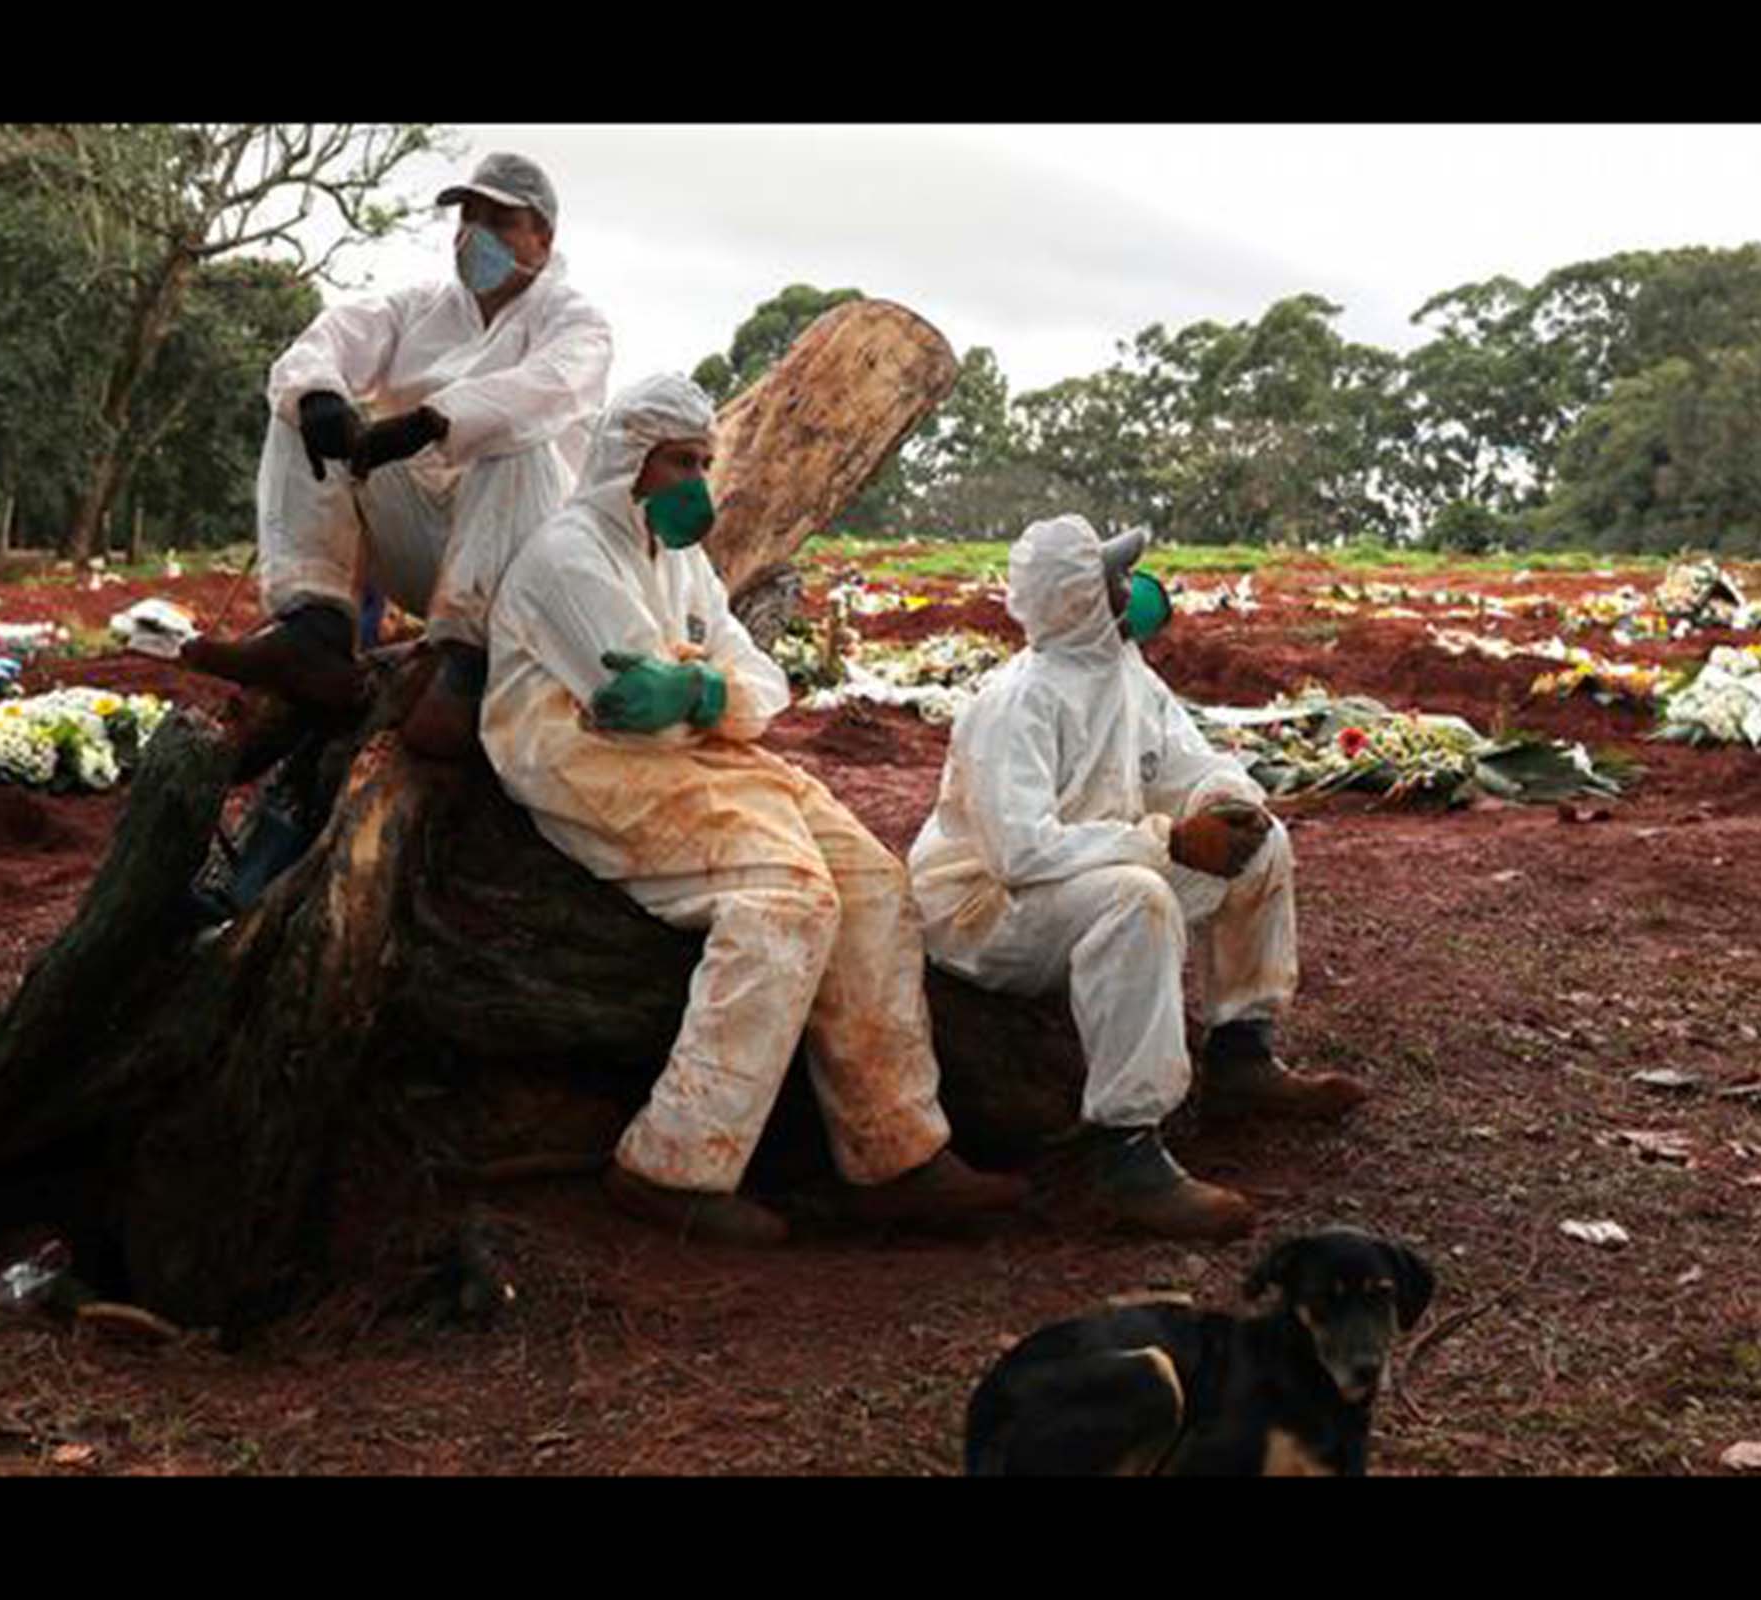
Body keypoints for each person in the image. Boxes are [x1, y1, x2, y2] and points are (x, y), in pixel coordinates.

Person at [481, 374, 1025, 1246]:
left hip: (697, 753)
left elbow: (767, 689)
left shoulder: (684, 562)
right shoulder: (569, 556)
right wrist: (711, 692)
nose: (697, 480)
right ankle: (672, 1165)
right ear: (629, 460)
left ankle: (895, 1151)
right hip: (581, 763)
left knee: (875, 884)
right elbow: (638, 715)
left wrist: (698, 687)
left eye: (704, 460)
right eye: (679, 462)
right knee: (786, 900)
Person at [909, 514, 1367, 1241]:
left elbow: (1189, 763)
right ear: (1081, 599)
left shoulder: (1125, 675)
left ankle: (1241, 1050)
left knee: (1264, 844)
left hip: (1081, 874)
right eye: (1116, 578)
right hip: (984, 911)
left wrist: (1225, 804)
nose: (1136, 590)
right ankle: (1126, 1151)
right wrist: (1167, 843)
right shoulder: (1016, 702)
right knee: (1139, 899)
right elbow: (1020, 856)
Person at [184, 151, 613, 762]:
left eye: (500, 220)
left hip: (524, 569)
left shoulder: (573, 321)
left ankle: (463, 668)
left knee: (518, 438)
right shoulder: (418, 308)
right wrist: (323, 399)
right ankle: (315, 632)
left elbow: (551, 386)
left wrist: (433, 421)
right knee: (300, 410)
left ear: (543, 238)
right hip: (427, 554)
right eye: (469, 216)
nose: (476, 235)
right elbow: (323, 343)